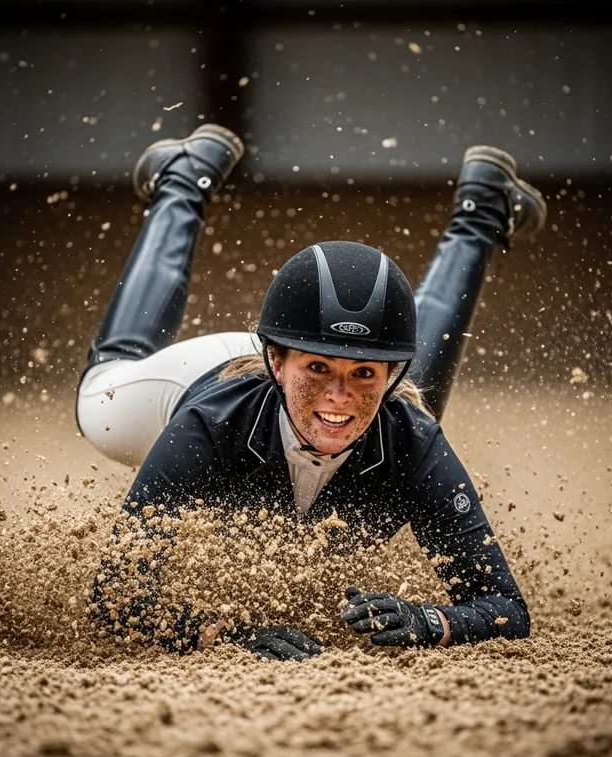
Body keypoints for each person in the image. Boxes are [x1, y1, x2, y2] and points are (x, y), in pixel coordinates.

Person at [78, 123, 547, 661]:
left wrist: (431, 620)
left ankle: (482, 208)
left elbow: (507, 608)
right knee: (99, 403)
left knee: (413, 407)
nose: (339, 395)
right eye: (320, 369)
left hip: (331, 369)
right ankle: (183, 181)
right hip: (190, 378)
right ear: (276, 362)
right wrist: (219, 636)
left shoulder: (409, 437)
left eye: (365, 373)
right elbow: (114, 594)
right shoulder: (208, 426)